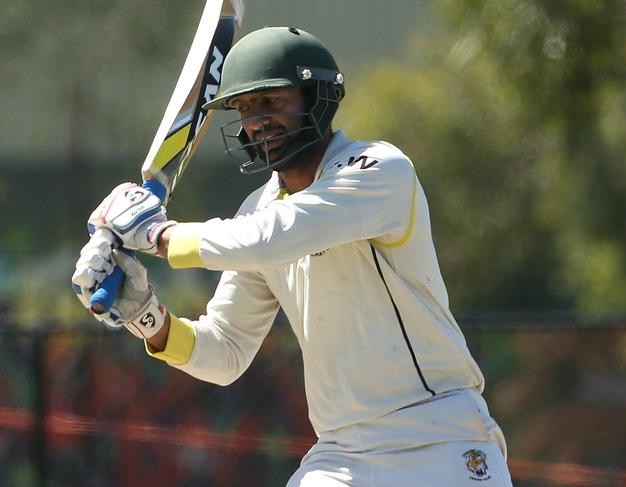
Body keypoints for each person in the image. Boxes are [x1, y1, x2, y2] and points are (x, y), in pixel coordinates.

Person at [72, 26, 514, 486]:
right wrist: (148, 318)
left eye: (271, 102)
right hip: (342, 454)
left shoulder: (380, 170)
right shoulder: (258, 212)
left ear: (316, 96)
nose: (257, 120)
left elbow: (274, 236)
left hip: (439, 436)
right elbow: (225, 351)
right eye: (244, 108)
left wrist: (158, 234)